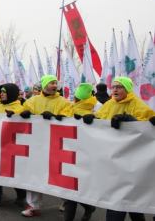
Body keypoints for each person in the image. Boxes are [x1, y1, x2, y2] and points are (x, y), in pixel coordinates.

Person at [82, 77, 154, 221]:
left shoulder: (139, 105)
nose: (115, 89)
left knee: (121, 201)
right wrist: (90, 118)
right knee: (130, 202)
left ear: (127, 89)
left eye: (119, 87)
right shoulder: (109, 104)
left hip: (131, 162)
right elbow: (99, 119)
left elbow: (148, 130)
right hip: (113, 161)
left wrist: (130, 121)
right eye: (113, 86)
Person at [19, 74, 73, 217]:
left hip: (55, 145)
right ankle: (33, 206)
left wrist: (55, 117)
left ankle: (67, 200)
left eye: (55, 82)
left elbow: (68, 118)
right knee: (34, 173)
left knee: (58, 175)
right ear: (44, 85)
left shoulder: (65, 102)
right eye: (51, 83)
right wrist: (23, 113)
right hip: (36, 143)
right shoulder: (32, 101)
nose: (54, 85)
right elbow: (23, 112)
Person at [0, 83, 27, 209]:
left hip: (12, 147)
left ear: (12, 94)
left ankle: (21, 195)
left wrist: (15, 116)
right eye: (1, 91)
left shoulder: (19, 107)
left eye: (4, 92)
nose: (1, 94)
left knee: (13, 174)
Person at [62, 83, 96, 221]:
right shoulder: (70, 107)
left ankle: (87, 208)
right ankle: (88, 208)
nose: (74, 99)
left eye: (76, 98)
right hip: (70, 151)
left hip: (86, 153)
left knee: (76, 189)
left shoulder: (97, 107)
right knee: (70, 190)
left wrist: (95, 119)